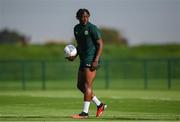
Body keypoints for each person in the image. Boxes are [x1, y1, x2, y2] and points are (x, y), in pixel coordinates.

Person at [66, 8, 107, 119]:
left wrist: (96, 60)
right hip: (83, 59)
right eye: (82, 16)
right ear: (77, 18)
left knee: (87, 85)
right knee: (80, 85)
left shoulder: (92, 28)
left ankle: (85, 113)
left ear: (89, 16)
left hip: (92, 59)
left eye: (86, 16)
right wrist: (74, 56)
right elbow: (80, 45)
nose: (84, 18)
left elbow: (100, 44)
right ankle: (100, 105)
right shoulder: (76, 29)